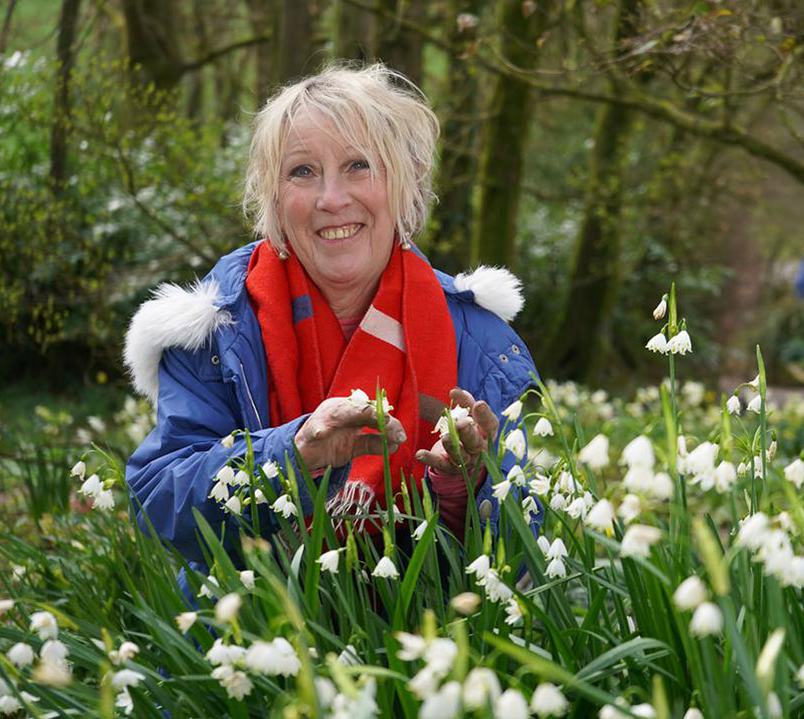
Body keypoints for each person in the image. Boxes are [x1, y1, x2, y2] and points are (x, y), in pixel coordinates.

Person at [123, 63, 537, 576]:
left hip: (435, 639)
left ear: (406, 182)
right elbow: (157, 506)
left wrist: (468, 481)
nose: (332, 200)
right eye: (303, 171)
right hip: (258, 636)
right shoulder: (216, 331)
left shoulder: (482, 338)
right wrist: (292, 455)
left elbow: (527, 548)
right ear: (273, 196)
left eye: (359, 165)